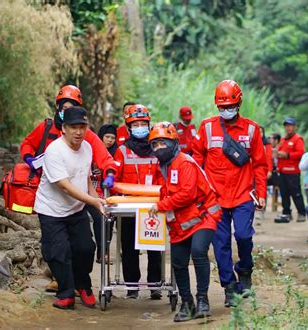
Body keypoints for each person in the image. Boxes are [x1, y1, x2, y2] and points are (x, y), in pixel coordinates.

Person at [20, 85, 117, 291]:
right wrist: (30, 159)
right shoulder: (46, 128)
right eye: (64, 107)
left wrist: (109, 173)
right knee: (56, 244)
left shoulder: (86, 136)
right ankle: (60, 279)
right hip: (53, 190)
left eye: (72, 106)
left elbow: (103, 156)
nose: (77, 131)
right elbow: (27, 144)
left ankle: (95, 260)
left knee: (91, 234)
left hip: (81, 191)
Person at [192, 80, 268, 307]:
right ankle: (230, 287)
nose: (226, 111)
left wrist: (261, 192)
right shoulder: (206, 127)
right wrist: (198, 193)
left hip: (243, 194)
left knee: (244, 236)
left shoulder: (252, 129)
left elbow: (260, 165)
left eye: (230, 106)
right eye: (222, 107)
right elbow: (196, 161)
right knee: (220, 244)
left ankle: (245, 269)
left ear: (239, 103)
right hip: (214, 198)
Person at [34, 106, 105, 310]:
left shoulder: (87, 148)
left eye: (82, 127)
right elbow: (64, 186)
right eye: (74, 127)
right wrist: (92, 202)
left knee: (85, 248)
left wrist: (97, 199)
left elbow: (87, 179)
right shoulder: (54, 151)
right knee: (59, 252)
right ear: (64, 128)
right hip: (51, 211)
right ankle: (66, 293)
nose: (78, 132)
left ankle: (83, 285)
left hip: (76, 210)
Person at [148, 122, 220, 322]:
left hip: (203, 216)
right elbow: (158, 190)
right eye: (154, 145)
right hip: (180, 223)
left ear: (173, 142)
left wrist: (161, 206)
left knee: (198, 252)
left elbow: (187, 194)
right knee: (178, 263)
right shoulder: (161, 167)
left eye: (162, 143)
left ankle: (203, 299)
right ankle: (187, 303)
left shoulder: (184, 162)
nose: (159, 148)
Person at [113, 104, 163, 300]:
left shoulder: (157, 148)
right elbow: (115, 176)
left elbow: (162, 176)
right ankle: (132, 286)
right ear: (129, 127)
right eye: (136, 124)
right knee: (129, 247)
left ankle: (155, 285)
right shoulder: (122, 151)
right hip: (128, 207)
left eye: (143, 123)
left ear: (149, 125)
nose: (140, 127)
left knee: (154, 247)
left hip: (152, 207)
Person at [91, 124, 118, 263]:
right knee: (99, 221)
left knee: (109, 223)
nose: (110, 140)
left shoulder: (116, 153)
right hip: (91, 192)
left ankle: (104, 253)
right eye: (107, 137)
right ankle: (99, 252)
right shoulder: (90, 150)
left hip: (110, 193)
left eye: (113, 138)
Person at [275, 117, 306, 223]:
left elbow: (301, 153)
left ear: (294, 127)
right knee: (284, 193)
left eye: (290, 125)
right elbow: (279, 151)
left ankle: (302, 213)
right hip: (282, 172)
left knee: (296, 193)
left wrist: (287, 155)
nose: (288, 128)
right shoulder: (283, 139)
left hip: (293, 172)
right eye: (286, 126)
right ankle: (286, 213)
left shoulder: (298, 139)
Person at [255, 126, 273, 220]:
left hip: (263, 171)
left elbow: (269, 158)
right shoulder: (252, 143)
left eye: (261, 132)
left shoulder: (267, 144)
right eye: (259, 132)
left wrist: (269, 170)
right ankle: (254, 209)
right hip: (252, 171)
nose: (260, 134)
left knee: (262, 190)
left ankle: (261, 209)